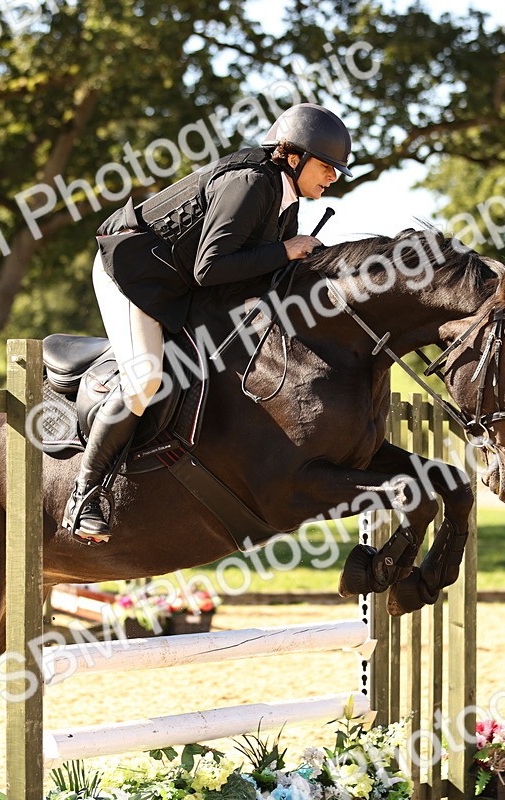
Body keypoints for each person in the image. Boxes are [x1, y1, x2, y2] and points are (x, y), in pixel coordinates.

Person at [62, 103, 354, 543]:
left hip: (176, 285)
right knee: (144, 380)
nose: (334, 176)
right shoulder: (253, 183)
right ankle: (85, 495)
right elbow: (211, 267)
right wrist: (285, 251)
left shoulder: (285, 201)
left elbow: (253, 274)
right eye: (327, 165)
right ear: (293, 157)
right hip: (132, 274)